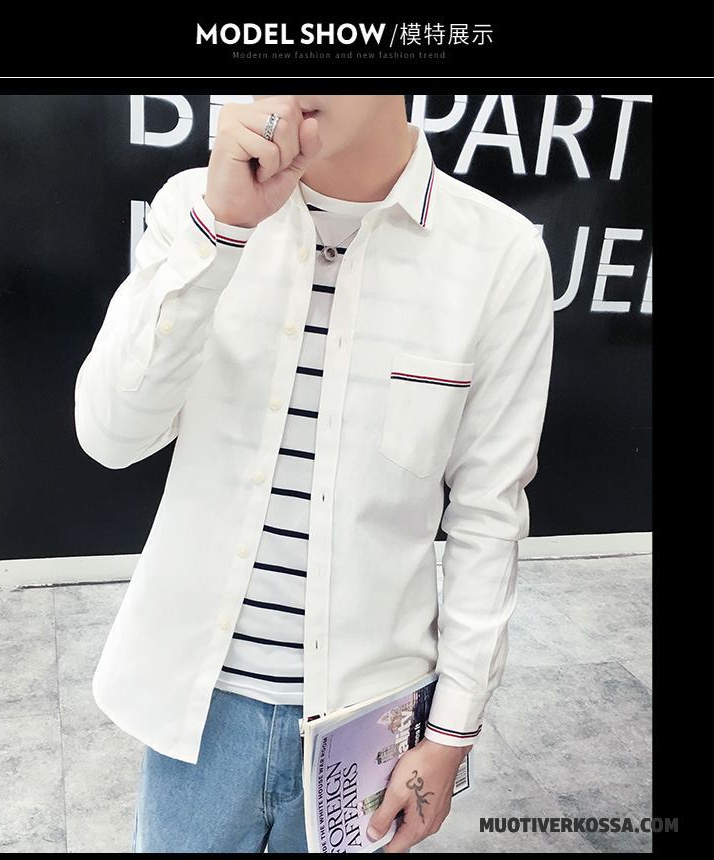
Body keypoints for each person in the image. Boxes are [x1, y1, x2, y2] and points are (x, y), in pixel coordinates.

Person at [74, 94, 555, 853]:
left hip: (367, 720)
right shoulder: (194, 208)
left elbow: (487, 513)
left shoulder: (497, 255)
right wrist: (220, 232)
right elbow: (110, 434)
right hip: (199, 706)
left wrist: (451, 734)